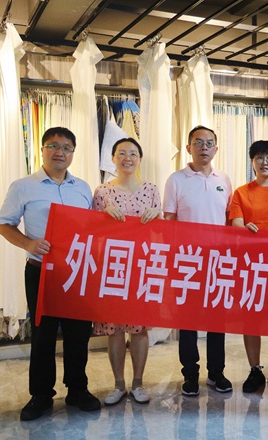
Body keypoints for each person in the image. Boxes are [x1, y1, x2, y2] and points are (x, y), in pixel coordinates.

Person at [0, 127, 101, 420]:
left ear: (72, 153)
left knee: (78, 333)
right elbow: (3, 224)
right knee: (43, 334)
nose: (60, 152)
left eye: (66, 148)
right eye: (53, 146)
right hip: (41, 272)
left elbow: (92, 227)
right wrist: (28, 243)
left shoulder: (83, 188)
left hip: (77, 273)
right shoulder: (24, 186)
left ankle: (78, 389)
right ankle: (41, 395)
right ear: (42, 149)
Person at [163, 125, 233, 395]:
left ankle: (216, 372)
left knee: (217, 320)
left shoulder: (223, 179)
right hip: (187, 262)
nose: (204, 147)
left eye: (209, 143)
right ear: (188, 147)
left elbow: (229, 221)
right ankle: (190, 374)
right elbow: (169, 221)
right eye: (198, 142)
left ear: (216, 149)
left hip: (218, 262)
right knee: (188, 321)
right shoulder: (176, 180)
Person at [92, 138, 161, 406]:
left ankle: (138, 383)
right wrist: (102, 217)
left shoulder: (152, 189)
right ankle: (119, 384)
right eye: (121, 153)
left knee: (139, 328)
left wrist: (157, 216)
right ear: (113, 158)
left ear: (140, 159)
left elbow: (160, 232)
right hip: (113, 267)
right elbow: (92, 233)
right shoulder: (102, 192)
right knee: (115, 329)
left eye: (133, 153)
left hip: (142, 266)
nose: (127, 158)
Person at [229, 140, 268, 393]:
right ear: (252, 162)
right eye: (259, 158)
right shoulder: (241, 192)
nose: (264, 163)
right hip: (250, 264)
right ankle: (254, 369)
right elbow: (235, 224)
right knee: (251, 318)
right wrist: (244, 228)